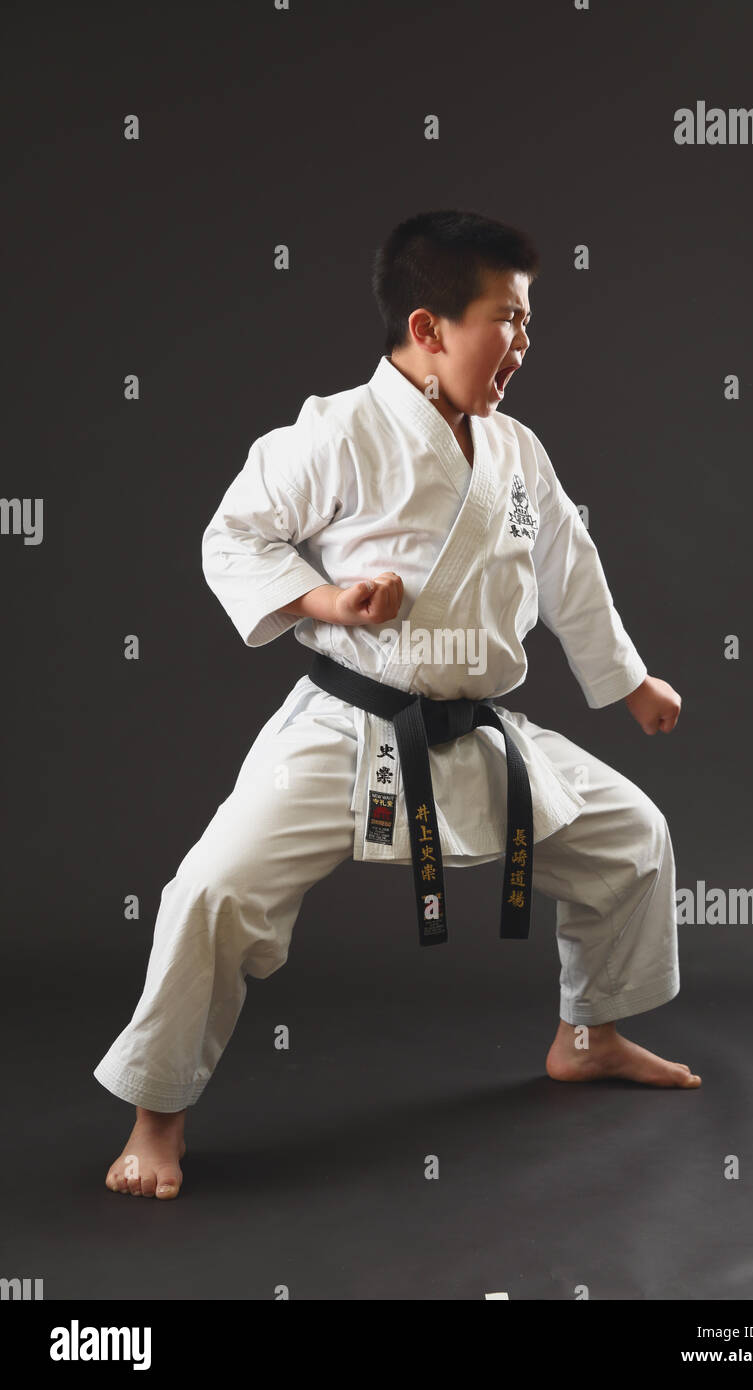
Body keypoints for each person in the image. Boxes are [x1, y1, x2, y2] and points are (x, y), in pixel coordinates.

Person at [98, 209, 700, 1201]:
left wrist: (627, 683)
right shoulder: (334, 431)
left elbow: (568, 571)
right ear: (427, 329)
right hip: (345, 728)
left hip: (474, 733)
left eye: (525, 319)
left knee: (631, 837)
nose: (521, 340)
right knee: (211, 892)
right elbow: (233, 539)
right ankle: (155, 1115)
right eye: (504, 317)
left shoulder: (515, 451)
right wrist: (325, 600)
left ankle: (587, 1035)